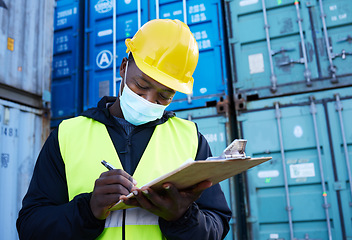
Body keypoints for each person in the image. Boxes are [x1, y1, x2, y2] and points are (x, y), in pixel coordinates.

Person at [17, 19, 231, 240]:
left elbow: (217, 225)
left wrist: (183, 217)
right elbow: (30, 227)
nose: (149, 100)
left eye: (164, 95)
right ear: (123, 67)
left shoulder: (191, 139)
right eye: (141, 85)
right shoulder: (67, 135)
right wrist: (88, 210)